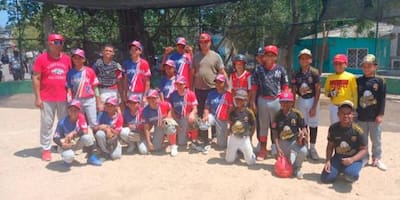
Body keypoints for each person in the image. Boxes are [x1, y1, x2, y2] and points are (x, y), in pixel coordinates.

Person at [32, 33, 72, 161]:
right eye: (57, 42)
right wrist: (37, 98)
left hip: (63, 97)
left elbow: (70, 77)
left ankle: (63, 145)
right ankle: (46, 149)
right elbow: (36, 77)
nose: (60, 44)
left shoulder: (66, 59)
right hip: (47, 97)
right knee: (47, 124)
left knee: (64, 123)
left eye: (61, 42)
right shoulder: (41, 59)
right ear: (50, 43)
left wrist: (71, 94)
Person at [250, 45, 289, 160]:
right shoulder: (258, 69)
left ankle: (278, 150)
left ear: (276, 57)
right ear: (264, 57)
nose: (269, 57)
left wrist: (285, 102)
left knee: (277, 126)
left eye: (272, 55)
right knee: (263, 126)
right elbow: (254, 87)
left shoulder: (280, 70)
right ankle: (263, 150)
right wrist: (252, 101)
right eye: (267, 55)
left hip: (276, 100)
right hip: (262, 99)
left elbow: (285, 87)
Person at [192, 33, 228, 144]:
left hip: (212, 88)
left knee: (213, 111)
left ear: (210, 43)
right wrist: (191, 87)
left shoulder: (215, 56)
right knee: (201, 112)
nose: (203, 44)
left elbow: (222, 72)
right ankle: (203, 135)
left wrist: (228, 86)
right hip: (199, 89)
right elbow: (193, 72)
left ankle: (214, 135)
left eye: (206, 42)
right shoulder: (196, 56)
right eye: (201, 42)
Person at [321, 100, 367, 183]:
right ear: (338, 114)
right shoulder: (333, 128)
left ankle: (353, 168)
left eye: (349, 113)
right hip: (338, 158)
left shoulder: (358, 130)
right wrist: (328, 161)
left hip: (353, 159)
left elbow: (364, 149)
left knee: (350, 176)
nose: (346, 116)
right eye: (343, 113)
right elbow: (330, 146)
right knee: (326, 179)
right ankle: (339, 169)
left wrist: (352, 160)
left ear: (353, 115)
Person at [356, 54, 387, 170]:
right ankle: (364, 158)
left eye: (369, 66)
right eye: (364, 66)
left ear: (375, 66)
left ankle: (377, 158)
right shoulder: (358, 81)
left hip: (374, 117)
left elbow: (382, 99)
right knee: (362, 138)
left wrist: (380, 114)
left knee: (376, 138)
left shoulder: (380, 81)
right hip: (361, 116)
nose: (366, 68)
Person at [291, 49, 321, 160]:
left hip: (312, 99)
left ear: (311, 60)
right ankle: (305, 146)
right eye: (302, 58)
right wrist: (293, 105)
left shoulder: (314, 72)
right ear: (299, 60)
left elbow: (318, 90)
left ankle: (312, 148)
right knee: (303, 124)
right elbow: (294, 89)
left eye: (307, 58)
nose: (304, 60)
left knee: (313, 124)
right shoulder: (296, 73)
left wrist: (314, 106)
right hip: (301, 100)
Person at [53, 100, 102, 167]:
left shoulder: (81, 117)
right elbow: (55, 138)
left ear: (79, 111)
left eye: (75, 110)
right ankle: (67, 160)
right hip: (65, 145)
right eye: (71, 110)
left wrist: (74, 133)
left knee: (87, 138)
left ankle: (91, 157)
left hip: (76, 143)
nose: (73, 112)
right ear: (68, 111)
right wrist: (62, 144)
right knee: (69, 156)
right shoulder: (62, 122)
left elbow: (85, 131)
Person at [272, 90, 308, 178]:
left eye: (288, 102)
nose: (285, 104)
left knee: (304, 151)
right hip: (282, 143)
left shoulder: (297, 114)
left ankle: (297, 168)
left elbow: (304, 128)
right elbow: (275, 133)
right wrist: (277, 148)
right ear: (280, 103)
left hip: (294, 142)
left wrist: (303, 136)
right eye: (283, 102)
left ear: (292, 102)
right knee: (282, 166)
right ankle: (287, 160)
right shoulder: (277, 115)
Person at [66, 49, 101, 129]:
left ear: (84, 59)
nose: (77, 60)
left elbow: (95, 87)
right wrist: (70, 102)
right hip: (77, 100)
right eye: (75, 58)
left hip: (89, 100)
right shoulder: (70, 73)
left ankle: (97, 140)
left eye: (80, 58)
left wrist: (98, 101)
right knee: (79, 122)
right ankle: (81, 139)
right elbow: (69, 89)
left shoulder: (90, 71)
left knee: (93, 123)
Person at [142, 89, 178, 156]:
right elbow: (146, 128)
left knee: (170, 126)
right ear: (147, 99)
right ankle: (161, 140)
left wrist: (169, 117)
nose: (152, 100)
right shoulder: (145, 111)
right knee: (155, 148)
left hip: (166, 124)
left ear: (157, 98)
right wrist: (149, 142)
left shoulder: (163, 104)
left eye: (154, 98)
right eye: (149, 98)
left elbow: (169, 107)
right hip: (158, 127)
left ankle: (173, 146)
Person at [202, 74, 233, 152]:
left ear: (224, 83)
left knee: (221, 145)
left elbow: (231, 109)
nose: (218, 84)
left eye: (220, 82)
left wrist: (229, 119)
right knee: (203, 123)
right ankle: (205, 142)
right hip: (212, 116)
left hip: (223, 119)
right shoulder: (211, 93)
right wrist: (205, 115)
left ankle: (219, 139)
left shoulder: (228, 95)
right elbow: (207, 107)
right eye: (216, 82)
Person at [225, 89, 256, 165]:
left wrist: (250, 136)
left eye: (241, 100)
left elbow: (253, 125)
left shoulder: (249, 112)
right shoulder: (233, 110)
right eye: (237, 99)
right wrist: (229, 130)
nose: (238, 101)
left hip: (244, 138)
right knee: (229, 160)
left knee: (250, 162)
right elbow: (230, 121)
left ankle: (252, 154)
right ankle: (235, 154)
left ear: (245, 100)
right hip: (234, 137)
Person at [324, 54, 358, 124]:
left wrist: (355, 108)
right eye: (335, 63)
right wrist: (330, 94)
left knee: (348, 127)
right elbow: (326, 92)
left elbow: (355, 93)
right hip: (335, 106)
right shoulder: (330, 77)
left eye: (340, 63)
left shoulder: (351, 77)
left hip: (347, 107)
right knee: (335, 126)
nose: (337, 66)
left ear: (345, 64)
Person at [168, 76, 200, 150]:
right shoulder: (173, 95)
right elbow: (171, 110)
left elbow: (195, 109)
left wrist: (192, 114)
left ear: (185, 85)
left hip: (187, 117)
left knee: (194, 119)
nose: (179, 86)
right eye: (177, 84)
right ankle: (178, 137)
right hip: (178, 118)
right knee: (182, 143)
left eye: (181, 84)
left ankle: (194, 141)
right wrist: (176, 122)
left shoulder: (191, 94)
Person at [92, 44, 123, 111]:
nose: (108, 52)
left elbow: (119, 82)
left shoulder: (116, 66)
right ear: (102, 52)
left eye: (110, 51)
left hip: (114, 92)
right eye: (106, 50)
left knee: (115, 113)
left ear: (113, 53)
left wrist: (121, 96)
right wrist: (98, 98)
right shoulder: (96, 65)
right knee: (102, 113)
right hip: (102, 91)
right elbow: (94, 83)